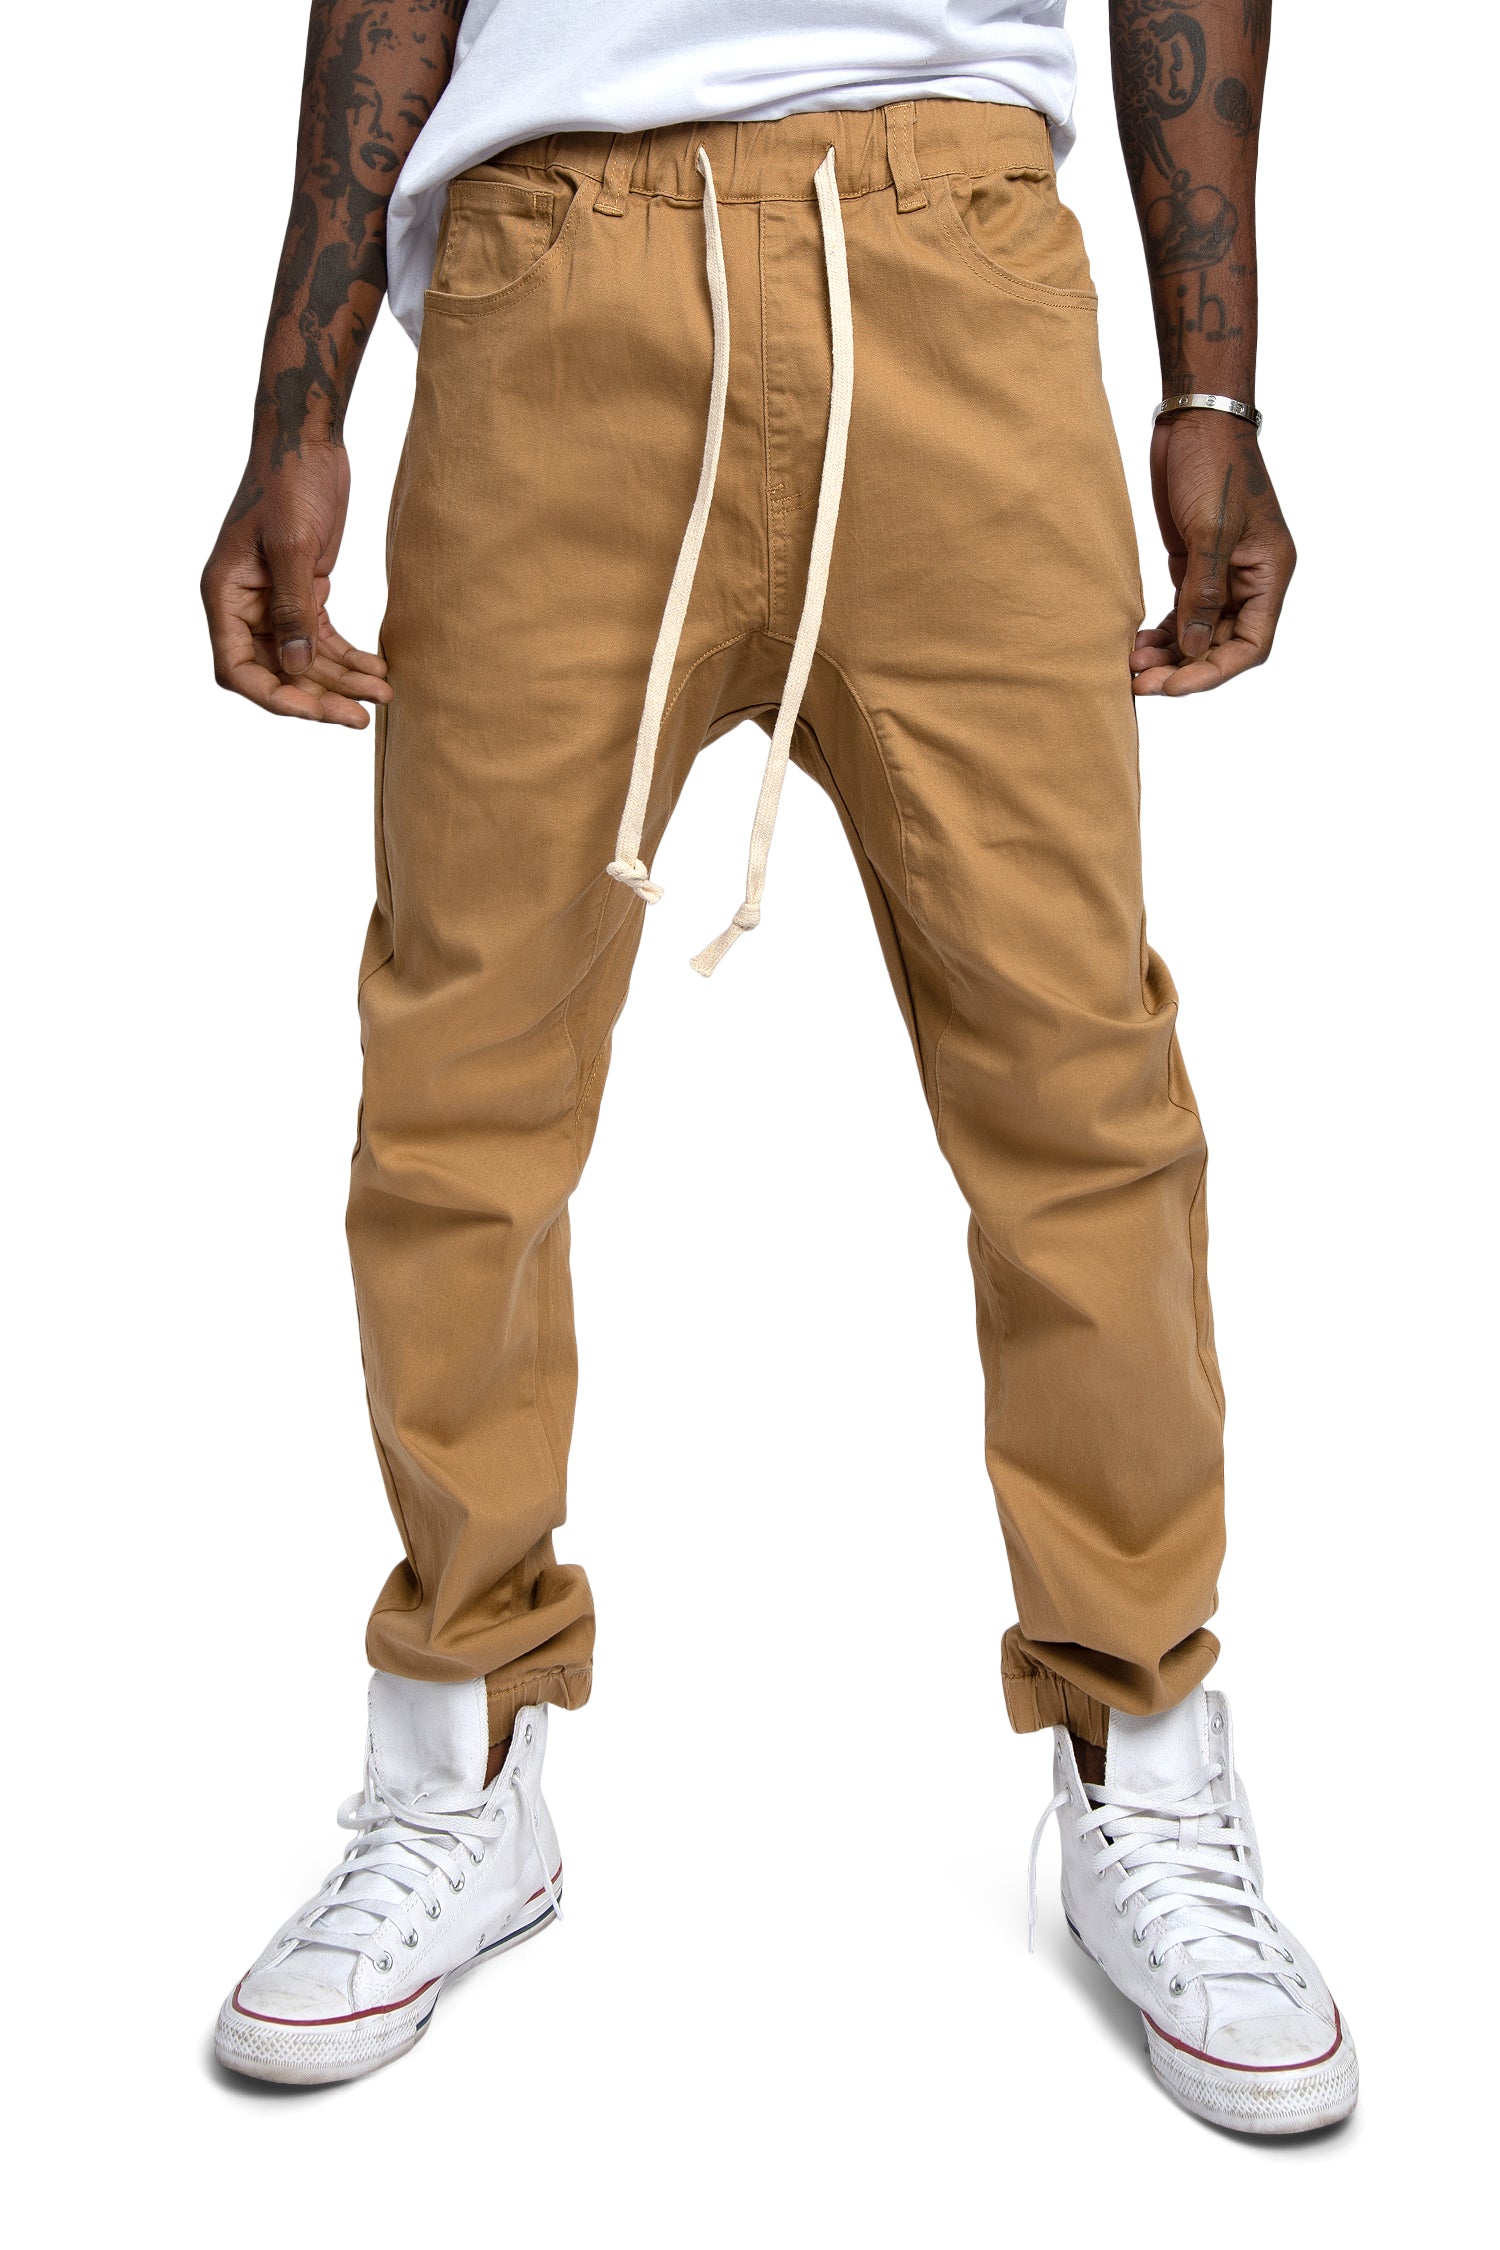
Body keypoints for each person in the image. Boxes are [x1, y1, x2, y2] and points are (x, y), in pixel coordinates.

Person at [201, 1, 1354, 2133]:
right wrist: (300, 404)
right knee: (458, 1074)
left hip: (954, 258)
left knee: (1074, 1070)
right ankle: (456, 1754)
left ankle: (1144, 1747)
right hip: (551, 283)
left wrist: (1213, 387)